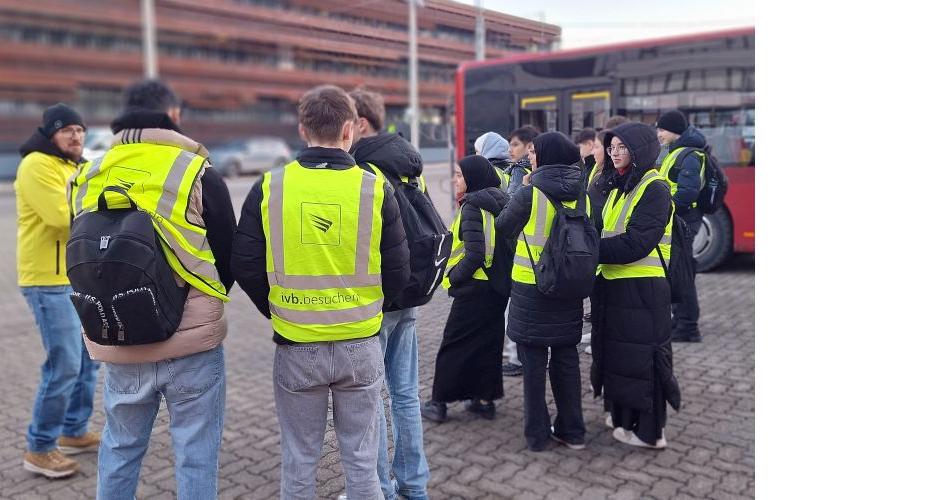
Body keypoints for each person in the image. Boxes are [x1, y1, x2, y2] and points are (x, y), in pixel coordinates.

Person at [231, 84, 410, 500]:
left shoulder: (269, 186)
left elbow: (244, 264)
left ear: (301, 128)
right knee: (363, 461)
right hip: (360, 344)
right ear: (350, 130)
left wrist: (279, 308)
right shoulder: (374, 188)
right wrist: (369, 309)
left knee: (300, 459)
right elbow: (399, 272)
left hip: (296, 345)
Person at [68, 79, 236, 497]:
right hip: (193, 345)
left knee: (120, 446)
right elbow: (229, 254)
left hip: (120, 335)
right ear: (173, 115)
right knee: (195, 452)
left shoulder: (87, 176)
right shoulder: (195, 170)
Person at [349, 88, 430, 500]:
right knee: (405, 395)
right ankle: (414, 486)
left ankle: (379, 488)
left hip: (378, 297)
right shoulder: (409, 162)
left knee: (370, 400)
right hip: (412, 294)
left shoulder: (363, 168)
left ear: (361, 123)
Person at [15, 103, 100, 478]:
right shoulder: (36, 164)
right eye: (67, 130)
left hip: (75, 275)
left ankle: (73, 430)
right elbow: (61, 217)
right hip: (46, 281)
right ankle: (40, 447)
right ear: (51, 133)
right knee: (64, 363)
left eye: (80, 130)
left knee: (87, 362)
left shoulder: (74, 167)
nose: (76, 136)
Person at [590, 122, 681, 449]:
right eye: (611, 147)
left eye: (622, 147)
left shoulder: (654, 187)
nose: (614, 153)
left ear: (640, 149)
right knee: (621, 360)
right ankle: (624, 418)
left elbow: (635, 244)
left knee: (645, 363)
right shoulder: (621, 184)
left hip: (643, 290)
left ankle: (650, 432)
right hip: (615, 286)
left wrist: (588, 250)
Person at [496, 131, 587, 452]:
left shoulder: (530, 192)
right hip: (568, 286)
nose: (530, 157)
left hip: (530, 287)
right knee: (566, 359)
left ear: (546, 157)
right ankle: (573, 431)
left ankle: (537, 435)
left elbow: (503, 227)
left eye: (535, 152)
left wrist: (521, 191)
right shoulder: (583, 190)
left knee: (533, 366)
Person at [421, 155, 510, 423]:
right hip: (496, 287)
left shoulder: (472, 206)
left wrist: (455, 277)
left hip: (474, 287)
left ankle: (438, 403)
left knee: (454, 344)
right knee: (488, 344)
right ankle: (483, 400)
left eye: (459, 175)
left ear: (472, 179)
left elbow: (475, 254)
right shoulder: (501, 202)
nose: (454, 180)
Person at [656, 110, 706, 343]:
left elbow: (687, 192)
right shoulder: (677, 152)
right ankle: (680, 320)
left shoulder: (689, 155)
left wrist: (665, 207)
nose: (659, 134)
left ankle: (687, 327)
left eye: (662, 129)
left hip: (683, 220)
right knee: (677, 271)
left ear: (675, 130)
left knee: (682, 273)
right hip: (678, 219)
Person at [500, 125, 540, 377]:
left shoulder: (521, 173)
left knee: (515, 310)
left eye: (515, 144)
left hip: (523, 255)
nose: (510, 150)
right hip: (530, 255)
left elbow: (510, 211)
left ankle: (517, 359)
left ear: (529, 147)